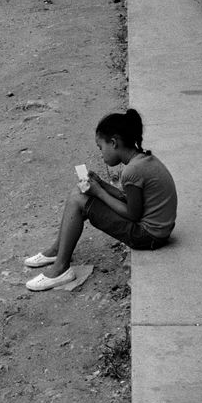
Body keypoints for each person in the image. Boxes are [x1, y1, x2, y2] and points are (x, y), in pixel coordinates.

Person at [23, 108, 177, 291]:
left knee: (78, 199)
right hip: (158, 231)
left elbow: (133, 214)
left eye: (101, 147)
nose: (101, 154)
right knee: (78, 194)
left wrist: (99, 193)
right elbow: (128, 198)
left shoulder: (132, 171)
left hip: (148, 236)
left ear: (113, 143)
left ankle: (61, 268)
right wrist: (101, 184)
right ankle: (58, 250)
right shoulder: (142, 160)